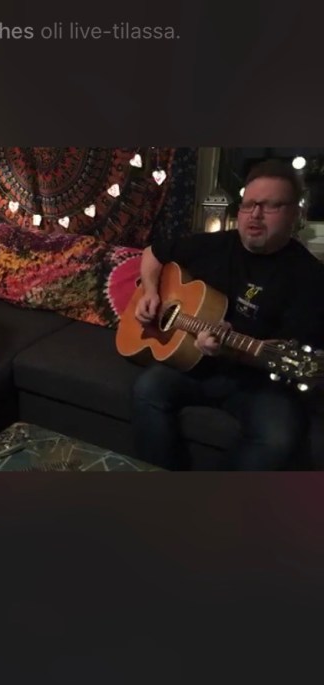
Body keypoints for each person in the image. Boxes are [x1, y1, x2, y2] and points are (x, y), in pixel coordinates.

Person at [131, 160, 324, 470]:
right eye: (249, 204)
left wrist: (230, 349)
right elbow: (153, 253)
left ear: (294, 214)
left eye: (270, 206)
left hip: (260, 383)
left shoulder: (310, 277)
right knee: (147, 389)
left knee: (278, 437)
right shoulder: (217, 243)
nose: (255, 214)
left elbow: (291, 352)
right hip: (198, 365)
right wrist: (151, 293)